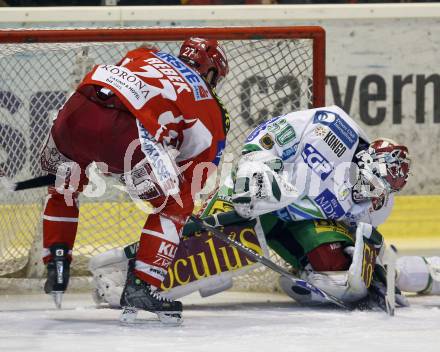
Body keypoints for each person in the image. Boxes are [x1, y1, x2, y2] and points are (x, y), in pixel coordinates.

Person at [91, 105, 439, 310]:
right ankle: (131, 275)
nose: (368, 193)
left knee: (336, 276)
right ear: (364, 160)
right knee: (218, 246)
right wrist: (260, 168)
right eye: (369, 182)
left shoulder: (378, 205)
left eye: (378, 191)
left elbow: (358, 234)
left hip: (302, 221)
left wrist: (369, 266)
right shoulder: (335, 127)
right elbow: (268, 135)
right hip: (263, 193)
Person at [39, 37, 230, 324]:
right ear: (212, 72)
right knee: (175, 205)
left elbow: (114, 97)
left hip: (75, 111)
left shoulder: (144, 54)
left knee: (63, 188)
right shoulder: (210, 108)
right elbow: (193, 175)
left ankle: (56, 262)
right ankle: (142, 286)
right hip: (123, 135)